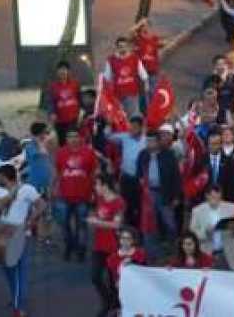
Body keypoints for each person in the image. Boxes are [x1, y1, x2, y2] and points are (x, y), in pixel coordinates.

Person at [0, 164, 45, 317]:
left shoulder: (26, 189)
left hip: (20, 235)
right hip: (3, 235)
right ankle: (16, 297)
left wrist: (31, 220)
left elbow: (41, 205)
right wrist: (6, 198)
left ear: (4, 176)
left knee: (20, 272)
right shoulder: (1, 191)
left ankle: (19, 307)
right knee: (7, 269)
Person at [54, 128, 98, 262]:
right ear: (66, 139)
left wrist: (93, 192)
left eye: (75, 136)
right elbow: (58, 171)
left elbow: (93, 173)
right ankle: (69, 245)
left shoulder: (89, 153)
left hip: (83, 196)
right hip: (63, 195)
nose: (72, 139)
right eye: (69, 137)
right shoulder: (61, 153)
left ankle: (81, 250)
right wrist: (54, 189)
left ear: (80, 138)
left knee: (82, 225)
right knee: (64, 224)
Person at [136, 129, 182, 257]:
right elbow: (138, 173)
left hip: (165, 193)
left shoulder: (168, 155)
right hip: (148, 193)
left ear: (158, 142)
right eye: (147, 141)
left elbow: (176, 177)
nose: (149, 144)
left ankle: (172, 250)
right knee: (149, 224)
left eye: (152, 141)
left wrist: (176, 196)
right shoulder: (143, 155)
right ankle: (152, 252)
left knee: (170, 223)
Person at [86, 174, 124, 317]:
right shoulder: (100, 199)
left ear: (104, 186)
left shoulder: (118, 202)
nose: (95, 188)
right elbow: (100, 215)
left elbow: (116, 224)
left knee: (112, 280)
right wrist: (95, 219)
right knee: (95, 276)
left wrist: (96, 223)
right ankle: (108, 301)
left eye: (97, 185)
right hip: (98, 245)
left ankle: (115, 306)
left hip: (112, 247)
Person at [106, 115, 147, 227]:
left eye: (135, 127)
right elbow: (108, 136)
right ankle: (126, 230)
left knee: (139, 206)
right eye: (131, 126)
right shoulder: (124, 137)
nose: (132, 129)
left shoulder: (146, 141)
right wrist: (109, 125)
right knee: (125, 205)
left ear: (141, 127)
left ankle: (138, 231)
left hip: (139, 179)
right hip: (126, 178)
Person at [189, 185, 234, 271]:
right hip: (207, 252)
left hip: (228, 252)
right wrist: (205, 232)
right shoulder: (197, 211)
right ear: (207, 196)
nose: (216, 200)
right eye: (213, 197)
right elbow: (192, 233)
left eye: (218, 197)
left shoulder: (230, 208)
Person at [104, 37, 150, 117]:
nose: (123, 48)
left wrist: (146, 87)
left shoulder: (135, 59)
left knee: (133, 117)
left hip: (132, 94)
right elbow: (107, 78)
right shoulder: (111, 60)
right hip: (118, 95)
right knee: (120, 117)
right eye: (120, 46)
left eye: (124, 46)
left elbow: (144, 75)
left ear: (128, 47)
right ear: (117, 47)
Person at [105, 227, 146, 306]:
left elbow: (146, 272)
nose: (125, 241)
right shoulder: (112, 258)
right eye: (123, 238)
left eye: (128, 238)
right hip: (119, 294)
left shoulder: (140, 254)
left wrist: (133, 263)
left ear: (133, 240)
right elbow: (110, 281)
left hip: (138, 293)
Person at [46, 61, 82, 146]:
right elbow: (50, 102)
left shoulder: (75, 84)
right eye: (60, 70)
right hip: (60, 121)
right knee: (62, 143)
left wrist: (82, 112)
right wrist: (51, 113)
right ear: (57, 72)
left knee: (72, 140)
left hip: (73, 119)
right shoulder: (53, 86)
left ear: (68, 71)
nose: (62, 72)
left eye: (65, 70)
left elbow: (80, 99)